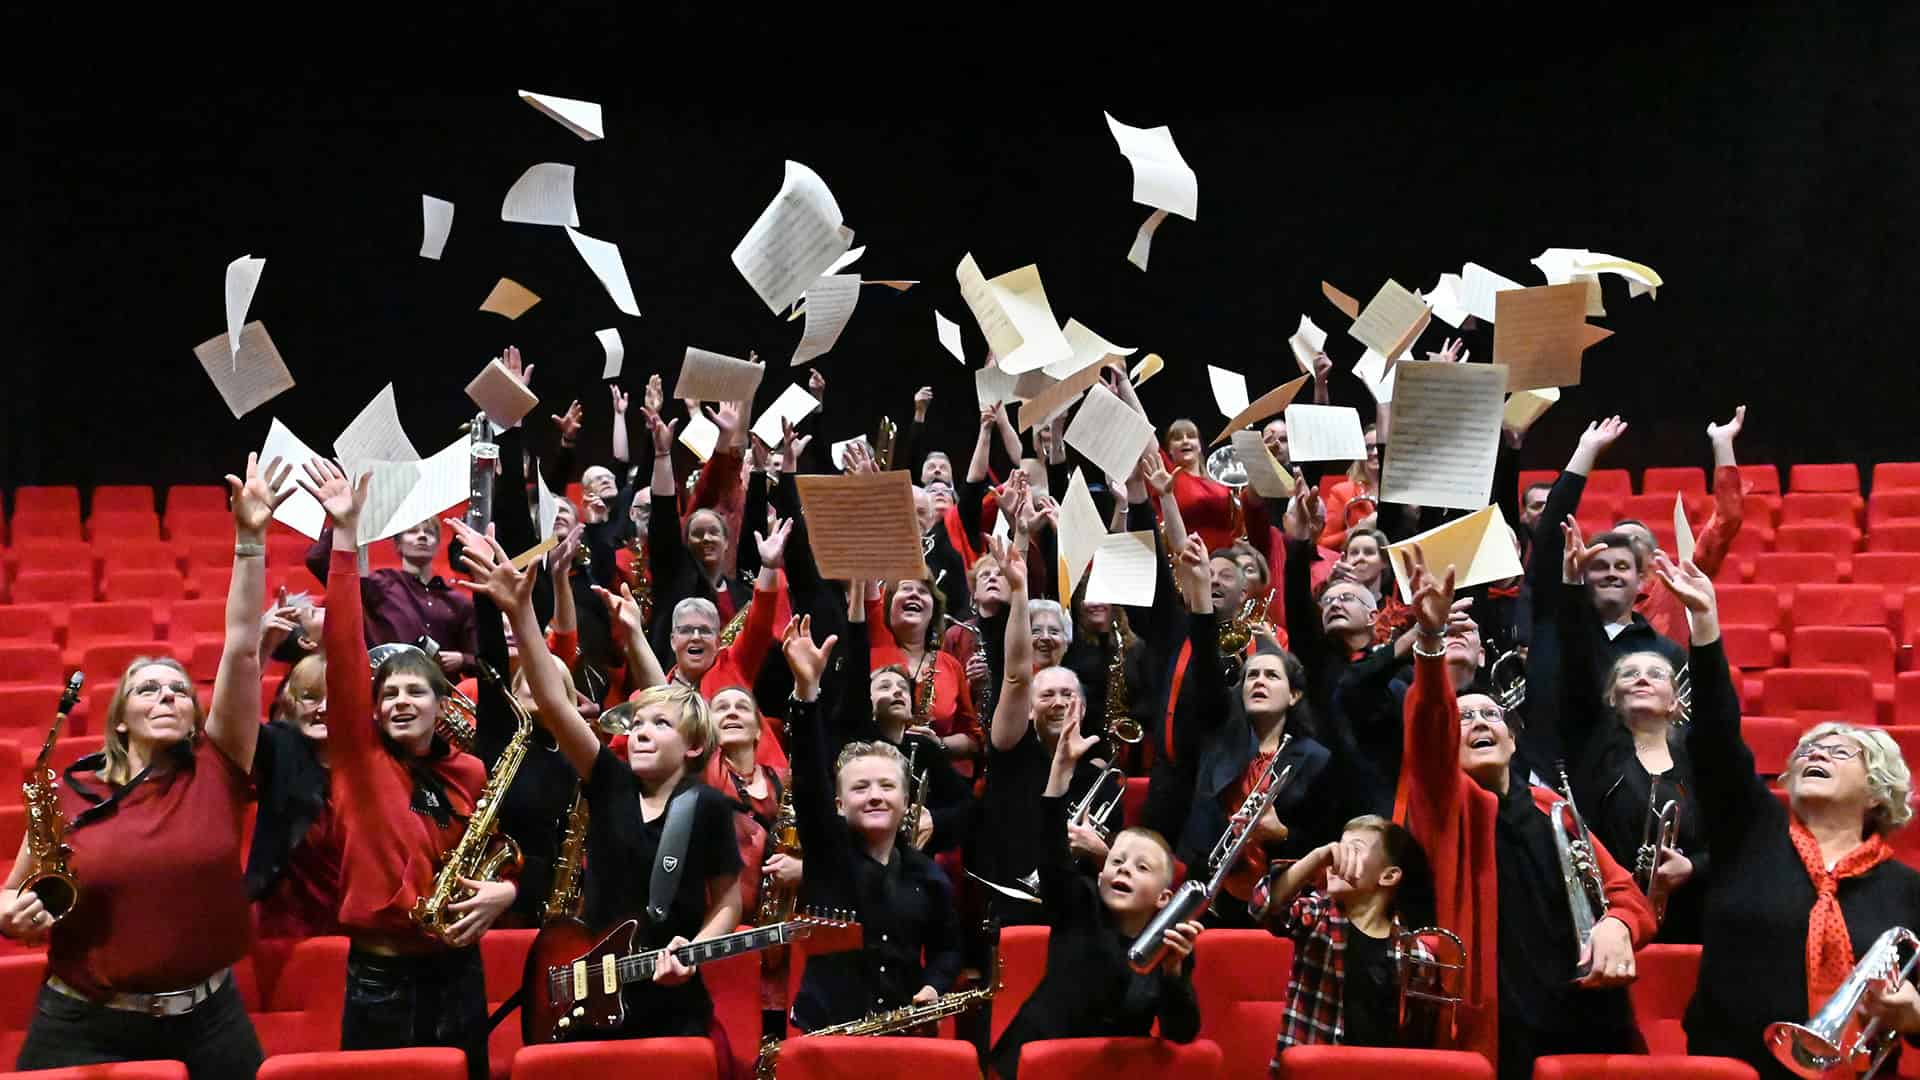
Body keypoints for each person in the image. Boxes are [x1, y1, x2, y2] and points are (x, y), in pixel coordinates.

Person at [1, 454, 287, 1077]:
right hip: (87, 1021)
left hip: (211, 1021)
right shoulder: (71, 792)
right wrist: (10, 914)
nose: (168, 698)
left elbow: (241, 648)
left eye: (179, 690)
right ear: (120, 718)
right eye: (148, 690)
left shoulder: (218, 766)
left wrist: (250, 540)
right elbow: (12, 895)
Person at [454, 518, 746, 1054]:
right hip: (591, 990)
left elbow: (727, 902)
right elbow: (555, 702)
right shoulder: (609, 781)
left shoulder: (705, 805)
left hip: (673, 1001)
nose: (640, 730)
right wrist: (520, 611)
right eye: (636, 722)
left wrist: (696, 949)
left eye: (660, 726)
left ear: (695, 749)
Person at [1394, 546, 1656, 1079]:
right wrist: (1429, 643)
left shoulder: (1553, 808)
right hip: (1503, 1029)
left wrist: (1618, 925)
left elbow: (1627, 894)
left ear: (1514, 741)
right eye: (1464, 719)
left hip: (1588, 1017)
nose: (1479, 722)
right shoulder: (1446, 805)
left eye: (1491, 714)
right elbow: (1429, 729)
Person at [1660, 550, 1920, 1077]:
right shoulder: (1750, 832)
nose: (1815, 754)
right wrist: (1706, 626)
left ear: (1877, 792)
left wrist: (1914, 1013)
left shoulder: (1907, 890)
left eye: (1838, 750)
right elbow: (1714, 741)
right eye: (1806, 750)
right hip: (1732, 1067)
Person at [308, 462, 515, 1080]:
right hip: (381, 976)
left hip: (459, 969)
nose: (400, 701)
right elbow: (345, 650)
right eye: (388, 693)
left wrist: (507, 889)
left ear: (442, 701)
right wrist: (347, 538)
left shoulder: (473, 771)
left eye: (415, 692)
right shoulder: (358, 758)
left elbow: (499, 849)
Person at [780, 614, 964, 1031]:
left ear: (905, 801)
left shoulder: (928, 874)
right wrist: (806, 692)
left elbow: (947, 949)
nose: (876, 795)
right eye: (861, 787)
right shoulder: (828, 854)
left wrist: (934, 985)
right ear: (840, 804)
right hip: (828, 1039)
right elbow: (809, 781)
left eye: (886, 786)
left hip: (902, 1035)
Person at [987, 727, 1203, 1079]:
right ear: (1101, 875)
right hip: (1038, 1064)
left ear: (1165, 897)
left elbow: (1181, 1033)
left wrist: (1174, 976)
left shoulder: (1169, 946)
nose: (1125, 870)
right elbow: (1053, 857)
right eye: (1117, 862)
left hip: (1111, 1071)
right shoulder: (1079, 902)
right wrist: (1060, 773)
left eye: (1141, 867)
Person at [1554, 521, 1709, 943]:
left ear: (1677, 699)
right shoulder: (1595, 751)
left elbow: (1733, 839)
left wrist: (1694, 867)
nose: (1641, 680)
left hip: (1690, 917)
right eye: (1629, 674)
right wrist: (1569, 582)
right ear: (1611, 698)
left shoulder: (1697, 762)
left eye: (1655, 674)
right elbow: (1574, 651)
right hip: (1610, 916)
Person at [1256, 816, 1437, 1058]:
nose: (1336, 858)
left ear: (1388, 876)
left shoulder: (1416, 954)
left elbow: (1416, 1041)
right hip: (1314, 1071)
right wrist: (1318, 856)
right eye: (1337, 849)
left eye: (1352, 850)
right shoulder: (1318, 916)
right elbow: (1264, 904)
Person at [249, 650, 343, 940]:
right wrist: (260, 651)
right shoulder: (277, 746)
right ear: (290, 702)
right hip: (290, 927)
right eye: (311, 697)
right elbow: (231, 722)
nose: (324, 708)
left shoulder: (374, 759)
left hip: (364, 926)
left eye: (336, 698)